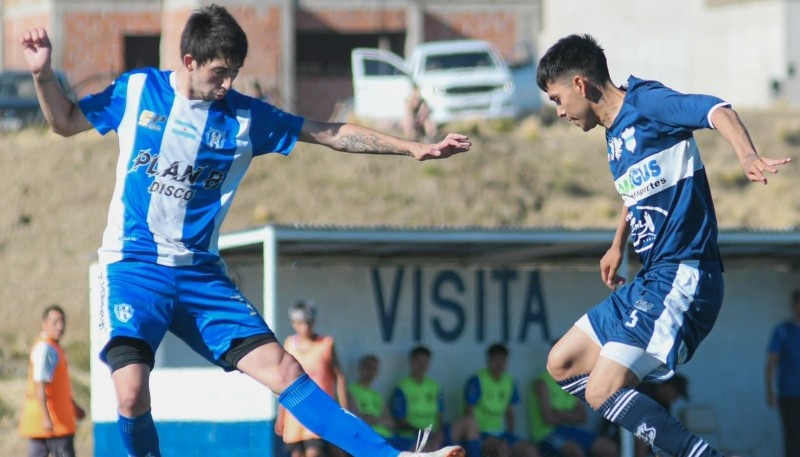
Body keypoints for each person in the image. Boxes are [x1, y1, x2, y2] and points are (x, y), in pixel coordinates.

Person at [19, 5, 470, 457]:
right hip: (134, 268)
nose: (228, 84)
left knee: (285, 370)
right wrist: (43, 76)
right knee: (131, 393)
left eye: (235, 72)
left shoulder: (245, 119)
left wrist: (413, 148)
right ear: (189, 61)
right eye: (220, 72)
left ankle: (393, 456)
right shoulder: (138, 91)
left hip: (199, 274)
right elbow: (64, 122)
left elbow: (329, 132)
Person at [535, 33, 790, 457]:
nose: (559, 112)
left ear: (580, 84)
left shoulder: (647, 104)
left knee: (602, 389)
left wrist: (747, 156)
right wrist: (618, 244)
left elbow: (716, 109)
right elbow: (635, 189)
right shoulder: (613, 132)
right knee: (562, 362)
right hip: (652, 279)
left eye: (557, 99)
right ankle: (651, 427)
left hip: (685, 275)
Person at [276, 300, 348, 457]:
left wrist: (344, 410)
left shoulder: (325, 344)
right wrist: (280, 415)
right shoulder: (289, 344)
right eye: (301, 323)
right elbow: (284, 382)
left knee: (314, 452)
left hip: (319, 409)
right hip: (294, 412)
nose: (305, 327)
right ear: (293, 323)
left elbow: (339, 377)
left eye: (309, 322)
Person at [18, 305, 86, 457]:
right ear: (44, 324)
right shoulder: (45, 348)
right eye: (55, 322)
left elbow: (56, 387)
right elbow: (40, 383)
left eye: (62, 322)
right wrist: (46, 417)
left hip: (55, 423)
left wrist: (73, 406)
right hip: (54, 424)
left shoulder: (54, 346)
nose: (60, 326)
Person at [462, 343, 538, 457]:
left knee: (529, 449)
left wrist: (510, 435)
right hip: (481, 433)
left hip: (501, 433)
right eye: (496, 359)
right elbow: (468, 412)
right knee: (501, 448)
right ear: (488, 360)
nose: (499, 364)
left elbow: (510, 414)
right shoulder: (477, 379)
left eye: (503, 360)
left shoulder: (510, 380)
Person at [529, 369, 618, 457]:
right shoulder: (542, 382)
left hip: (570, 430)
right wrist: (571, 415)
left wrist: (558, 414)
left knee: (609, 447)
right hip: (547, 434)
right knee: (574, 450)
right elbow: (549, 419)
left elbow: (583, 417)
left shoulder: (571, 383)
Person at [765, 291, 800, 457]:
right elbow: (771, 363)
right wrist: (770, 391)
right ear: (793, 306)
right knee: (792, 437)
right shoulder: (783, 331)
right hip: (789, 394)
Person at [347, 354, 396, 442]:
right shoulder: (350, 391)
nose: (370, 371)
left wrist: (373, 419)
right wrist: (380, 420)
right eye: (367, 367)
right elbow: (357, 418)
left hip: (386, 437)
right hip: (367, 437)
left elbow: (391, 423)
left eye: (373, 369)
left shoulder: (377, 395)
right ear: (360, 369)